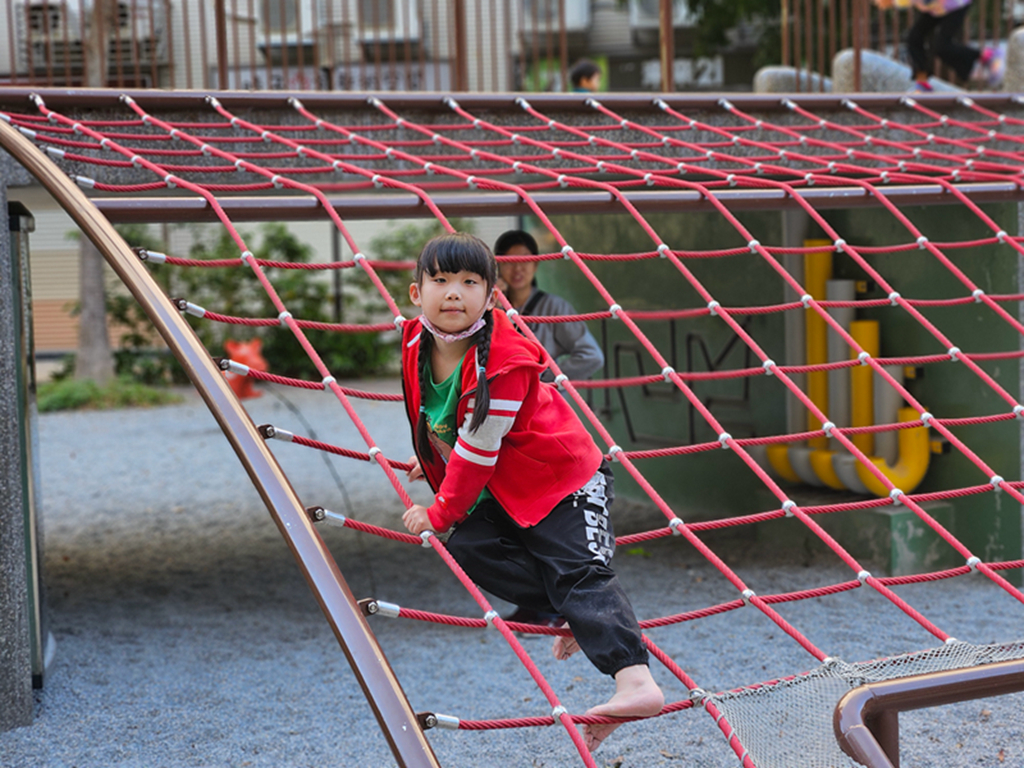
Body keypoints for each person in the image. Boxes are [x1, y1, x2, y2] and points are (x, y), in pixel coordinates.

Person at [400, 232, 664, 751]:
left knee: (581, 571)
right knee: (471, 548)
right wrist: (434, 451)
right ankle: (576, 615)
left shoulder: (505, 360)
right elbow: (437, 413)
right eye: (441, 280)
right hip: (510, 484)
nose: (454, 292)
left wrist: (439, 509)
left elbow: (480, 448)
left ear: (491, 295)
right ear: (416, 293)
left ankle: (636, 681)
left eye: (470, 282)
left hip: (565, 477)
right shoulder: (416, 341)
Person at [494, 229, 604, 386]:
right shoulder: (492, 306)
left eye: (524, 260)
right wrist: (490, 304)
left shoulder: (554, 308)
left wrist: (545, 378)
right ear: (499, 265)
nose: (518, 268)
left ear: (536, 264)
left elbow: (592, 356)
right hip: (504, 401)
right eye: (510, 261)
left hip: (544, 403)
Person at [875, 0, 1002, 91]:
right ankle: (922, 80)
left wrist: (892, 2)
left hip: (955, 5)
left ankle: (986, 55)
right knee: (914, 39)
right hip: (935, 8)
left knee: (942, 46)